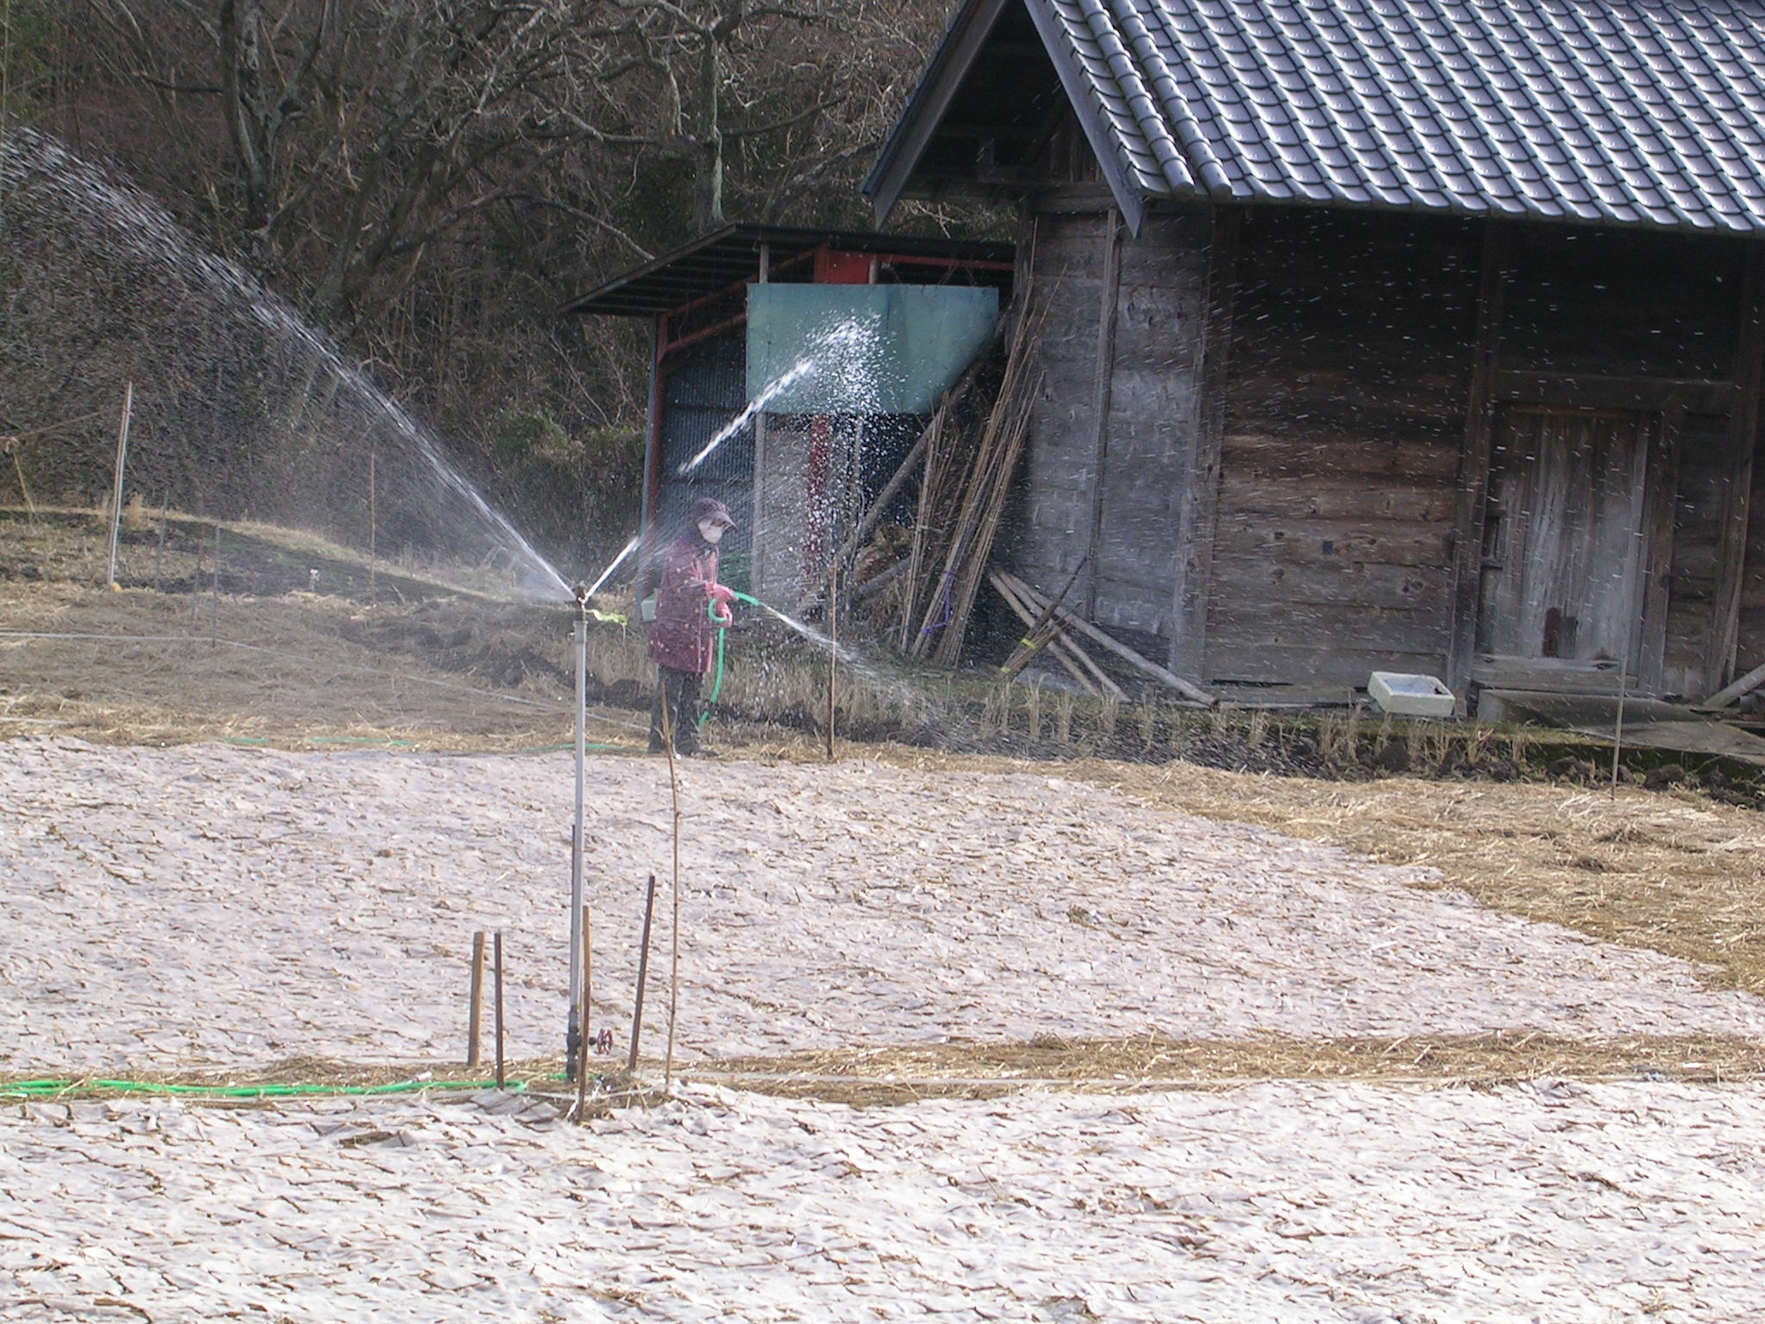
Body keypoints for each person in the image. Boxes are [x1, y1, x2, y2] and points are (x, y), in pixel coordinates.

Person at [646, 496, 738, 756]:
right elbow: (683, 585)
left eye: (722, 525)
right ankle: (661, 744)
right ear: (700, 523)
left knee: (694, 694)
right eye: (715, 524)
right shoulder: (681, 548)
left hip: (700, 632)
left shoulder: (711, 552)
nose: (718, 530)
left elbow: (712, 587)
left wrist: (721, 607)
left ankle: (689, 745)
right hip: (675, 631)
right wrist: (713, 590)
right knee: (670, 693)